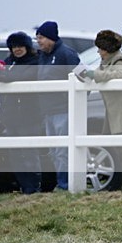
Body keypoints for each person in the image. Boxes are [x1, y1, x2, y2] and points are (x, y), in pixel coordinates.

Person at [81, 30, 122, 190]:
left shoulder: (120, 59)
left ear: (107, 48)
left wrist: (94, 74)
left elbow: (121, 74)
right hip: (115, 114)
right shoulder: (107, 61)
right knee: (118, 150)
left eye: (100, 48)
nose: (98, 51)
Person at [0, 32, 43, 194]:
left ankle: (34, 187)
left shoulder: (35, 61)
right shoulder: (9, 62)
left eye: (20, 46)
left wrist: (1, 74)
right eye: (13, 46)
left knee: (30, 153)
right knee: (15, 155)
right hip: (11, 117)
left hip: (30, 116)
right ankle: (24, 187)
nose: (17, 49)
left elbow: (21, 77)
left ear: (27, 46)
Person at [36, 20, 80, 191]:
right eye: (37, 38)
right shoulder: (43, 56)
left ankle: (66, 185)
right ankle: (61, 183)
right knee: (54, 151)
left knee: (63, 151)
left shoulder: (66, 54)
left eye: (41, 37)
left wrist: (73, 103)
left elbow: (83, 76)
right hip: (47, 112)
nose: (38, 41)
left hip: (63, 110)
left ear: (51, 38)